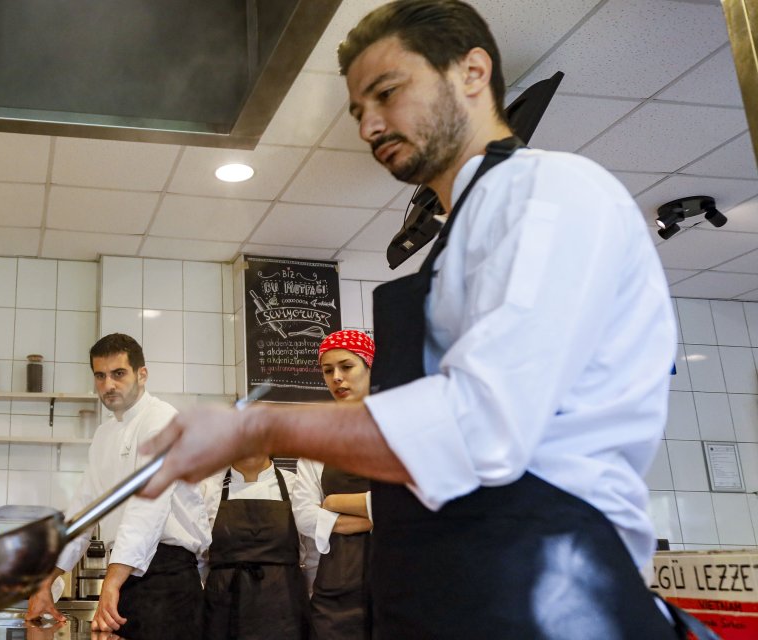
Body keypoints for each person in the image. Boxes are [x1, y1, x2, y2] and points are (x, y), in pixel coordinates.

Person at [138, 1, 684, 637]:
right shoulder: (458, 245)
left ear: (472, 72)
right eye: (357, 110)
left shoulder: (549, 193)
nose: (369, 124)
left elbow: (478, 427)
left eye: (387, 92)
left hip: (555, 598)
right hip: (455, 599)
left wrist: (252, 426)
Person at [26, 334, 209, 639]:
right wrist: (47, 580)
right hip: (127, 578)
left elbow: (147, 505)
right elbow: (82, 511)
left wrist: (111, 581)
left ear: (142, 374)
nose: (108, 384)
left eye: (118, 373)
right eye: (100, 375)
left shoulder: (162, 420)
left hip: (169, 577)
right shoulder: (104, 436)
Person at [292, 330, 375, 640]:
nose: (337, 378)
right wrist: (371, 515)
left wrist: (332, 503)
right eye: (328, 371)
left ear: (369, 366)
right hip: (337, 586)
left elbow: (414, 502)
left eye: (346, 367)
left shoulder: (399, 429)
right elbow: (303, 514)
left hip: (398, 578)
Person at [201, 452, 310, 639]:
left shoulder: (296, 486)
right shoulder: (207, 489)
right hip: (222, 612)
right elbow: (198, 560)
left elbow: (313, 556)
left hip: (286, 611)